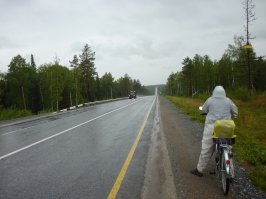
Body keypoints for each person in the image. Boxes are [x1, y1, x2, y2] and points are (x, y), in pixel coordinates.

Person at [190, 86, 238, 177]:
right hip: (226, 127)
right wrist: (232, 116)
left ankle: (199, 170)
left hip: (211, 127)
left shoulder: (210, 100)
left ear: (214, 92)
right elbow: (235, 112)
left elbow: (203, 109)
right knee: (228, 148)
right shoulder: (228, 101)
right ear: (224, 92)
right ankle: (230, 172)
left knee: (206, 149)